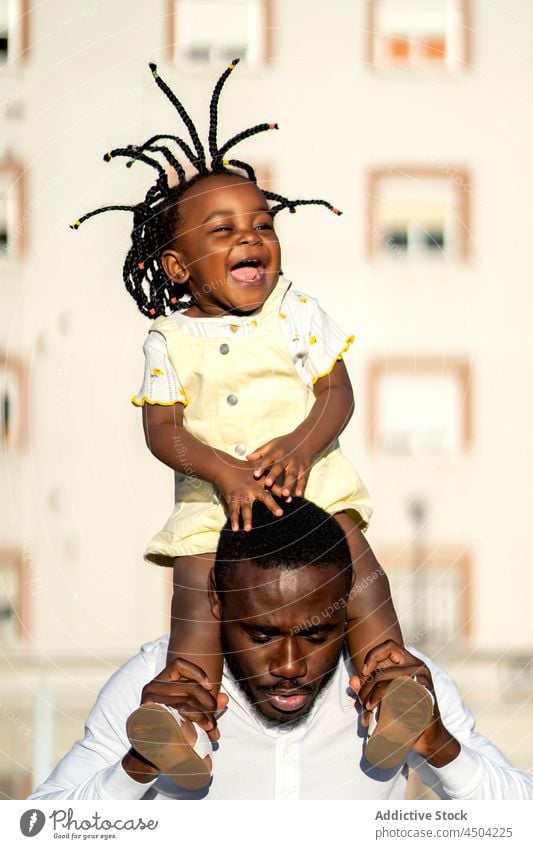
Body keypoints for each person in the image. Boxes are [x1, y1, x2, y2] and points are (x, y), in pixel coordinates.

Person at [69, 60, 424, 784]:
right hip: (212, 505)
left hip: (313, 488)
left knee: (360, 581)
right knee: (198, 611)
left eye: (262, 224)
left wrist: (300, 444)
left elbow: (336, 393)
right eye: (223, 228)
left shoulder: (293, 307)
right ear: (175, 265)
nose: (252, 239)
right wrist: (223, 471)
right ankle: (183, 731)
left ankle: (392, 693)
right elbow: (163, 430)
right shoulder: (168, 340)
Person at [29, 499, 533, 801]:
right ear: (218, 606)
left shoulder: (401, 686)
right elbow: (37, 832)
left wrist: (439, 747)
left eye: (316, 634)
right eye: (262, 635)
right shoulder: (156, 689)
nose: (290, 667)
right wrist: (137, 766)